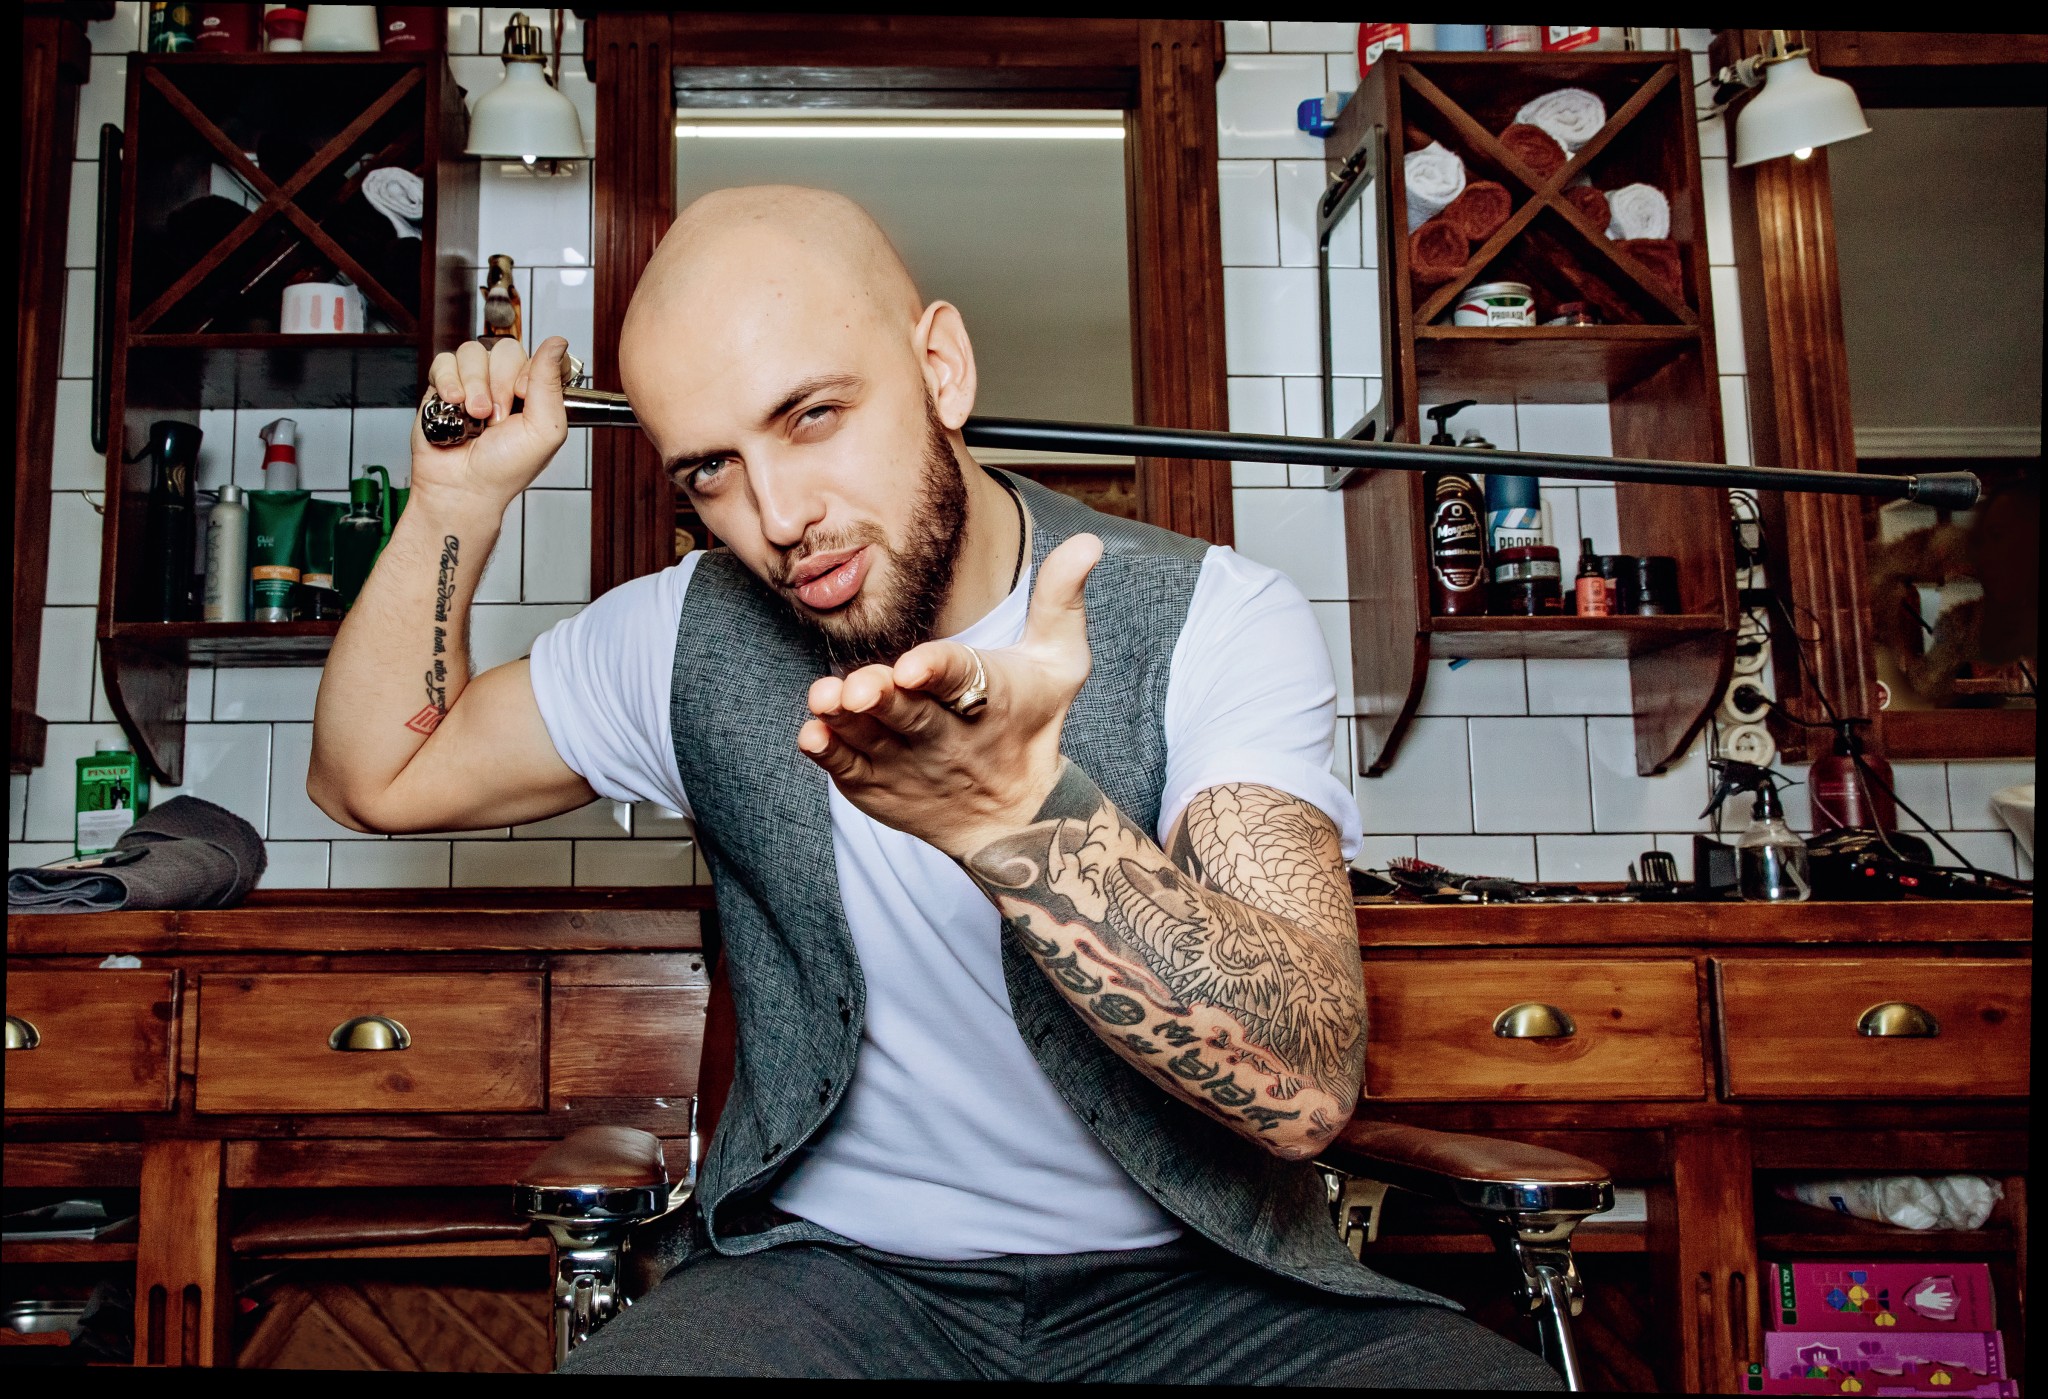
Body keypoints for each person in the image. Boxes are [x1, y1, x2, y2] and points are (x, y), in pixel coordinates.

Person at [308, 185, 1558, 1386]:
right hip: (824, 1282)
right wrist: (454, 503)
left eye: (811, 416)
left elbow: (1303, 1085)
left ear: (941, 369)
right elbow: (376, 775)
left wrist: (1015, 818)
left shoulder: (1216, 617)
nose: (778, 515)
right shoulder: (683, 633)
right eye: (709, 472)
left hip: (1206, 1281)